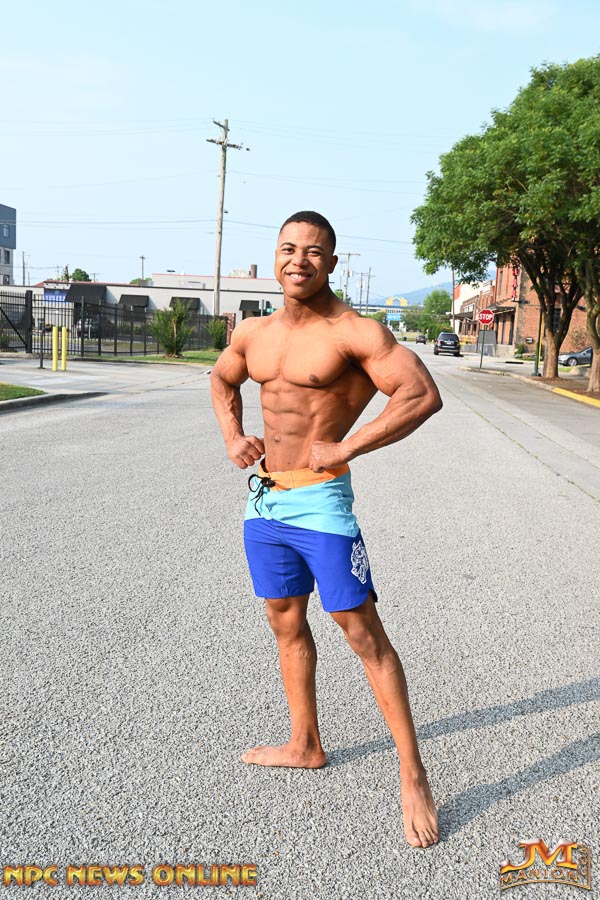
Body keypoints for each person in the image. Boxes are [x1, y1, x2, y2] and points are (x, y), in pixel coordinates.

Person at [210, 211, 442, 848]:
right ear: (276, 256)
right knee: (284, 619)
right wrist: (232, 435)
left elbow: (421, 395)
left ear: (331, 263)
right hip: (266, 501)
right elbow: (223, 378)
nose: (299, 261)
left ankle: (413, 774)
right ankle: (305, 743)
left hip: (322, 504)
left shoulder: (355, 332)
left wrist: (349, 446)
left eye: (313, 252)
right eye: (288, 249)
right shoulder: (254, 331)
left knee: (360, 629)